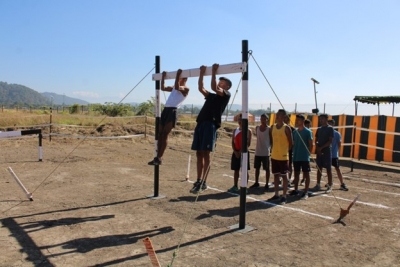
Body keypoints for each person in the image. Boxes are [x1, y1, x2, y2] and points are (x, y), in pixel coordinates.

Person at [190, 64, 232, 193]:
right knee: (199, 153)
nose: (220, 83)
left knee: (206, 153)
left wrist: (213, 72)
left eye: (222, 82)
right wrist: (202, 73)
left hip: (210, 124)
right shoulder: (212, 96)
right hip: (201, 123)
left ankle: (204, 181)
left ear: (227, 87)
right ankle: (198, 180)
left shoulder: (226, 94)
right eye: (220, 81)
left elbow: (214, 87)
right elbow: (200, 88)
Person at [148, 70, 189, 165]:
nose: (178, 79)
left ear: (184, 79)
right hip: (166, 110)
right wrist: (163, 77)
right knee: (160, 133)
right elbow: (163, 88)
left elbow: (179, 87)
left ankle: (160, 157)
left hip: (172, 111)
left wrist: (177, 75)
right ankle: (157, 157)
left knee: (165, 133)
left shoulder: (186, 88)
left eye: (180, 78)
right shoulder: (175, 87)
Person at [267, 109, 293, 204]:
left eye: (280, 115)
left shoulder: (287, 128)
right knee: (276, 175)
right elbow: (271, 140)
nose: (278, 117)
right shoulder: (272, 127)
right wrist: (273, 149)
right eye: (277, 115)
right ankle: (276, 194)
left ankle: (284, 196)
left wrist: (285, 151)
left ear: (284, 117)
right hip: (274, 155)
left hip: (283, 156)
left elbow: (291, 143)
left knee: (284, 176)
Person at [290, 114, 313, 200]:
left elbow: (311, 144)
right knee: (296, 174)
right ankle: (295, 190)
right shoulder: (295, 132)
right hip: (296, 156)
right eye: (296, 120)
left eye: (298, 120)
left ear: (303, 121)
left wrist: (308, 154)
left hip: (304, 157)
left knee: (306, 174)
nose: (296, 121)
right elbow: (293, 143)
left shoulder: (308, 132)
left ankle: (306, 192)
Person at [228, 113, 252, 193]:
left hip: (244, 153)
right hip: (236, 153)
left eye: (241, 120)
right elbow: (232, 142)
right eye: (239, 120)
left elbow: (248, 143)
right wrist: (235, 151)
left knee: (245, 170)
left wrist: (240, 151)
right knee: (236, 170)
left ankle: (245, 187)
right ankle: (235, 186)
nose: (240, 121)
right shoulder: (235, 130)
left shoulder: (248, 131)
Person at [311, 114, 334, 193]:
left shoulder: (330, 129)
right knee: (319, 168)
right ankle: (318, 184)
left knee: (328, 169)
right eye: (320, 119)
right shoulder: (319, 129)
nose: (321, 120)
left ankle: (330, 185)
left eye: (322, 119)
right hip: (319, 151)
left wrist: (322, 147)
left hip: (327, 151)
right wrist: (317, 146)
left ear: (326, 119)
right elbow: (316, 139)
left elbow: (330, 141)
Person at [249, 113, 271, 191]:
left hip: (265, 152)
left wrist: (270, 148)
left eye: (264, 119)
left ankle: (267, 183)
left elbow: (271, 139)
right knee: (257, 168)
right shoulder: (257, 128)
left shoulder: (269, 129)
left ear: (267, 120)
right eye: (261, 119)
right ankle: (256, 182)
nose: (262, 121)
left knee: (267, 168)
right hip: (258, 151)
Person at [328, 119, 349, 191]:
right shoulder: (325, 132)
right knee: (327, 169)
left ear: (333, 125)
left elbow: (339, 144)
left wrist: (336, 151)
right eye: (328, 123)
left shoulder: (337, 134)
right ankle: (329, 182)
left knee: (337, 169)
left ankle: (342, 184)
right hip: (327, 154)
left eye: (331, 124)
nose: (329, 125)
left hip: (334, 155)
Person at [284, 114, 296, 183]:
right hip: (281, 150)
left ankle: (289, 178)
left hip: (289, 150)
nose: (285, 120)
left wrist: (289, 148)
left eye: (286, 119)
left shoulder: (292, 129)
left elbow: (293, 141)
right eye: (284, 118)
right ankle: (280, 178)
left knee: (289, 164)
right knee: (281, 164)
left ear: (289, 120)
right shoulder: (280, 128)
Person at [300, 118, 312, 185]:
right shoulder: (300, 131)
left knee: (306, 169)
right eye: (306, 124)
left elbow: (310, 143)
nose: (308, 126)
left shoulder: (309, 132)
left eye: (309, 125)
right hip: (300, 151)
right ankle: (303, 178)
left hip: (306, 152)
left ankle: (304, 179)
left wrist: (309, 152)